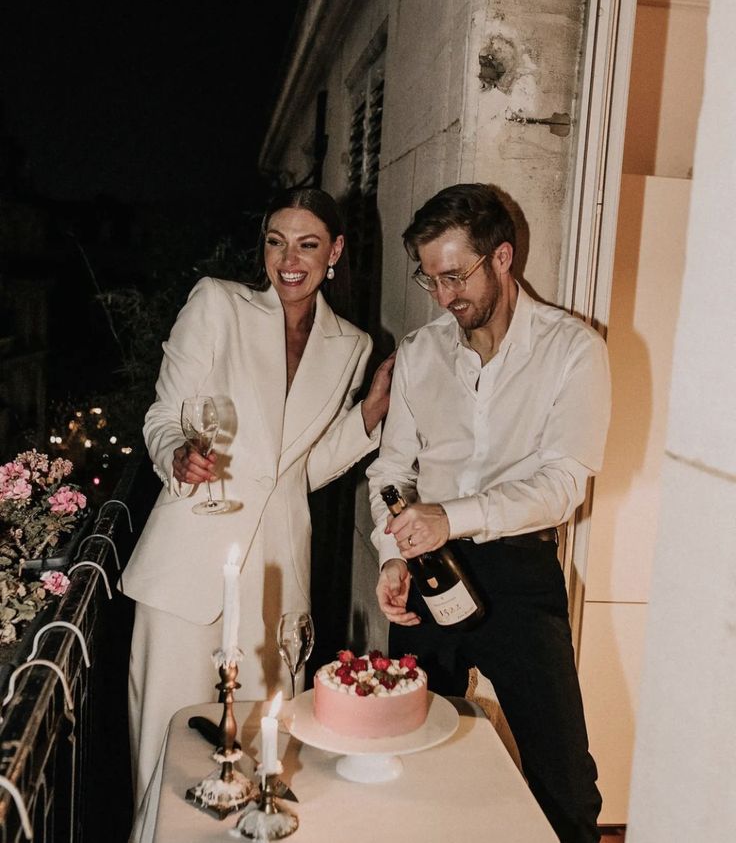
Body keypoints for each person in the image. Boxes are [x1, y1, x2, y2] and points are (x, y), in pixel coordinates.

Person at [123, 187, 394, 810]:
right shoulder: (218, 304)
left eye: (308, 244)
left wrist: (369, 415)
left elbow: (299, 469)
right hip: (187, 565)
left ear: (335, 251)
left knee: (257, 750)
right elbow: (165, 413)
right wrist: (175, 455)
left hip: (275, 576)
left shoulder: (351, 345)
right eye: (276, 242)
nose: (289, 259)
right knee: (163, 755)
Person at [367, 183, 610, 843]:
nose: (444, 296)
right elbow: (390, 472)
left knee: (566, 785)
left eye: (455, 275)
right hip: (423, 569)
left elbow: (563, 484)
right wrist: (392, 556)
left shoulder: (575, 350)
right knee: (408, 759)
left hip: (520, 576)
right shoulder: (420, 352)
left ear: (502, 257)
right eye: (431, 279)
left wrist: (454, 514)